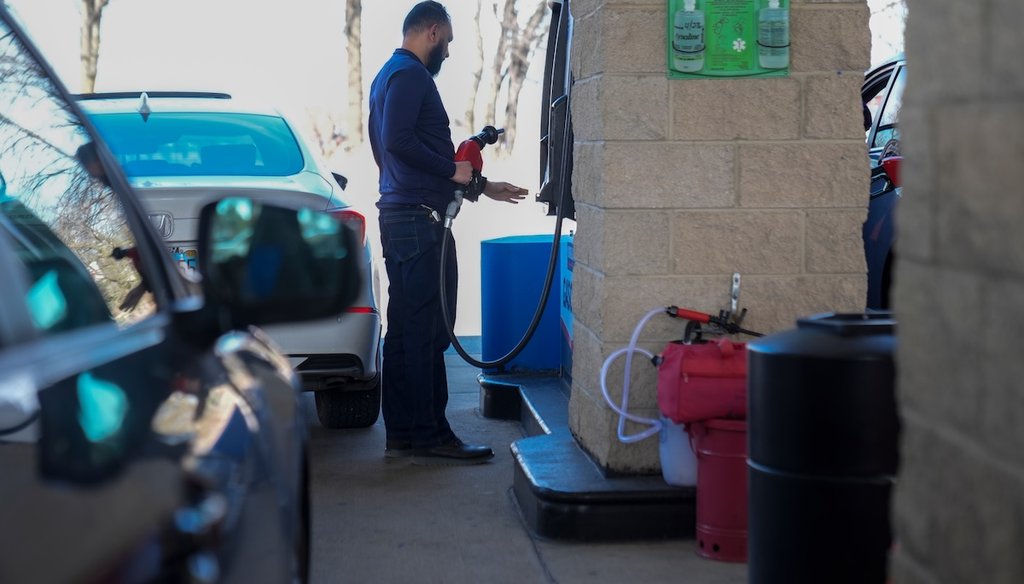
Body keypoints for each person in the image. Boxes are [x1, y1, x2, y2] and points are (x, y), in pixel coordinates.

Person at [368, 1, 528, 465]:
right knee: (428, 330)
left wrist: (480, 186)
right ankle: (431, 434)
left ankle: (403, 434)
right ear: (432, 32)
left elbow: (402, 154)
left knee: (404, 331)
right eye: (450, 43)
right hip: (418, 223)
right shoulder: (411, 75)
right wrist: (452, 171)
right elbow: (401, 142)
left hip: (402, 217)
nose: (449, 55)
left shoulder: (386, 77)